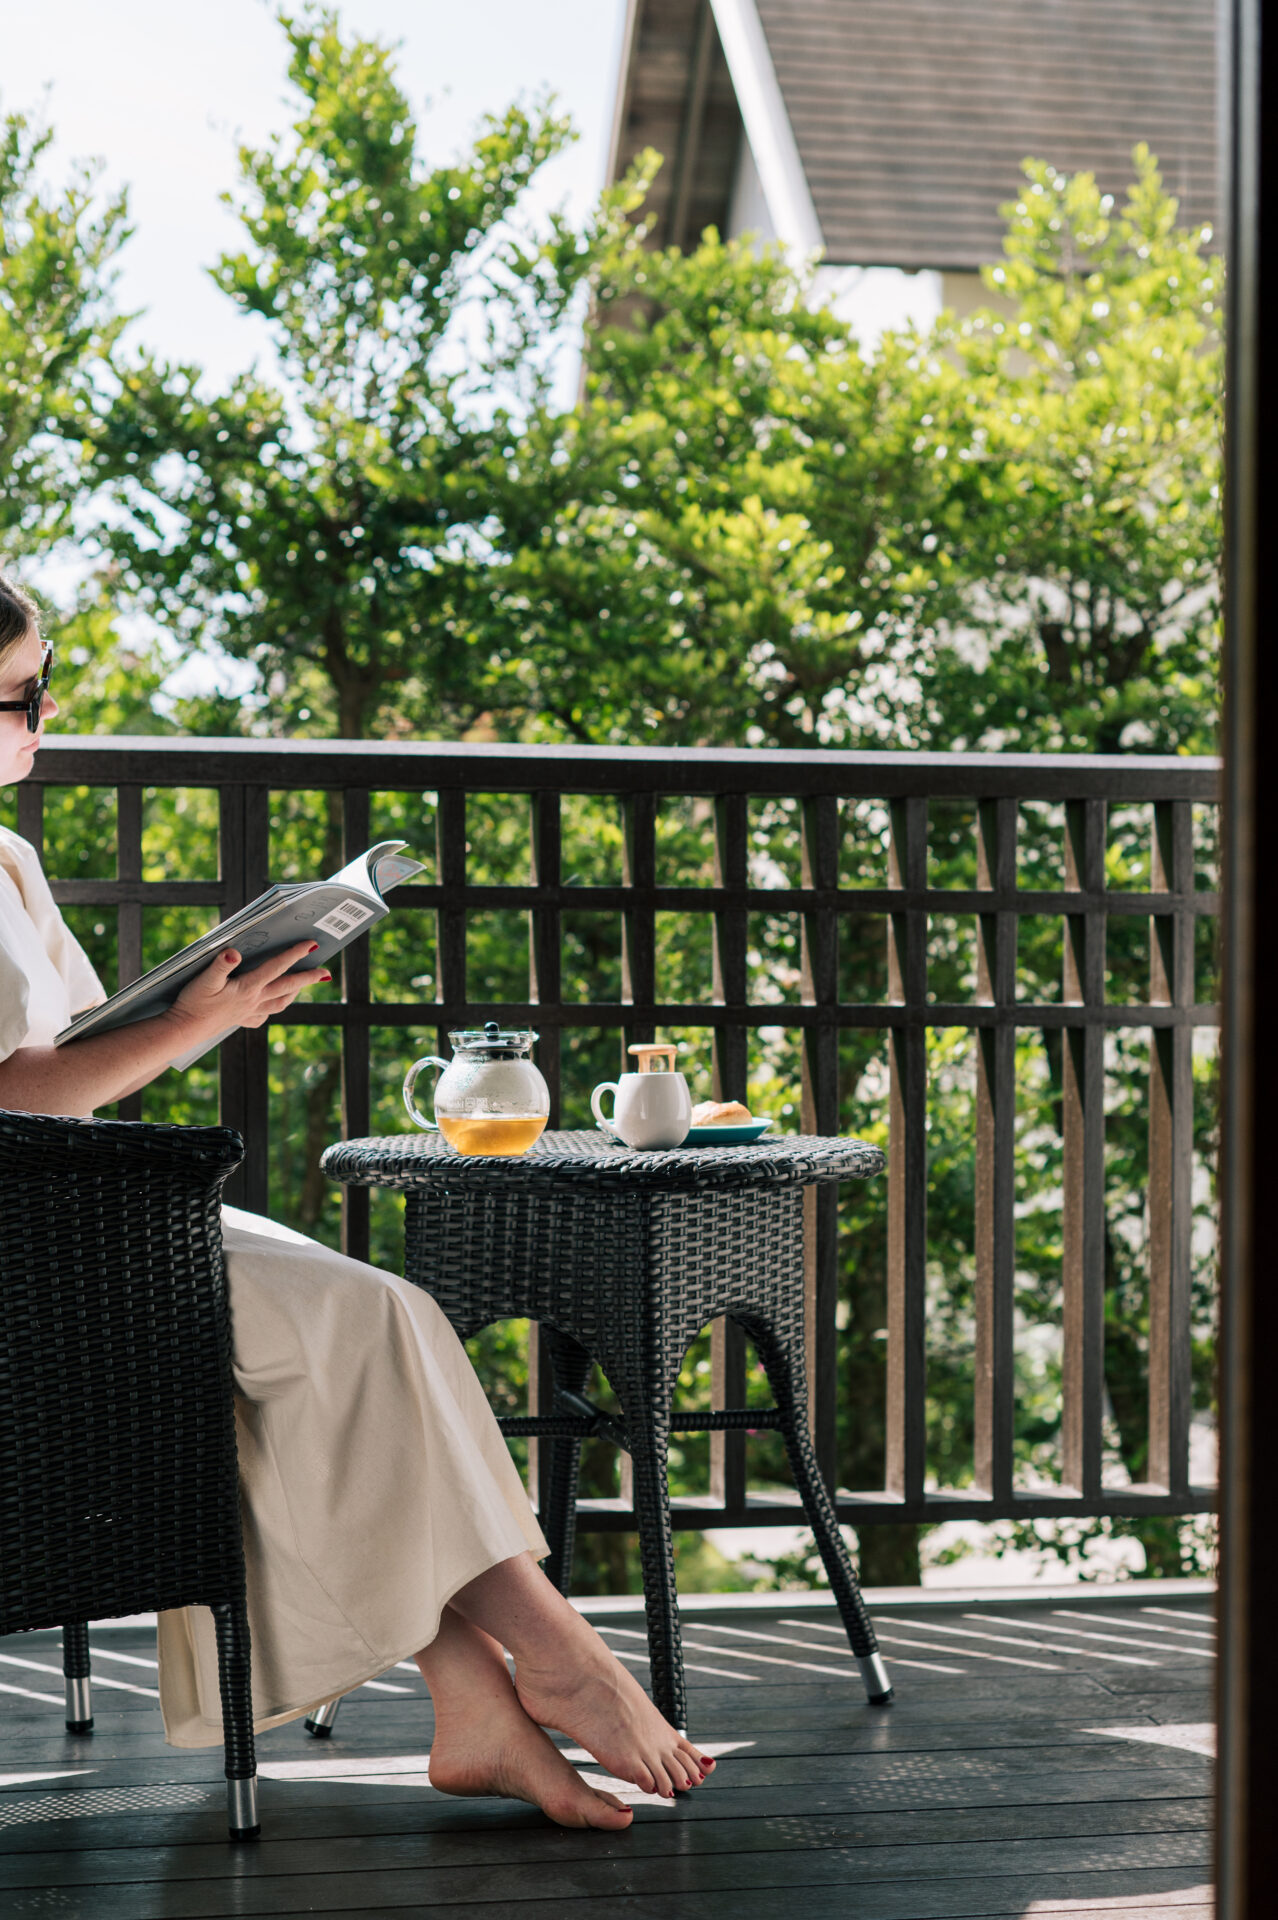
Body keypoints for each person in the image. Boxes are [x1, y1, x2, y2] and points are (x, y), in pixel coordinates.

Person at [0, 573, 713, 1830]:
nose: (45, 714)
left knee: (352, 1334)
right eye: (19, 694)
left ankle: (478, 1702)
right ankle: (559, 1663)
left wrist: (190, 1013)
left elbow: (63, 1065)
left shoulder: (7, 856)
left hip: (74, 1211)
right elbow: (18, 1095)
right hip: (28, 1240)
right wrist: (196, 1025)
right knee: (359, 1321)